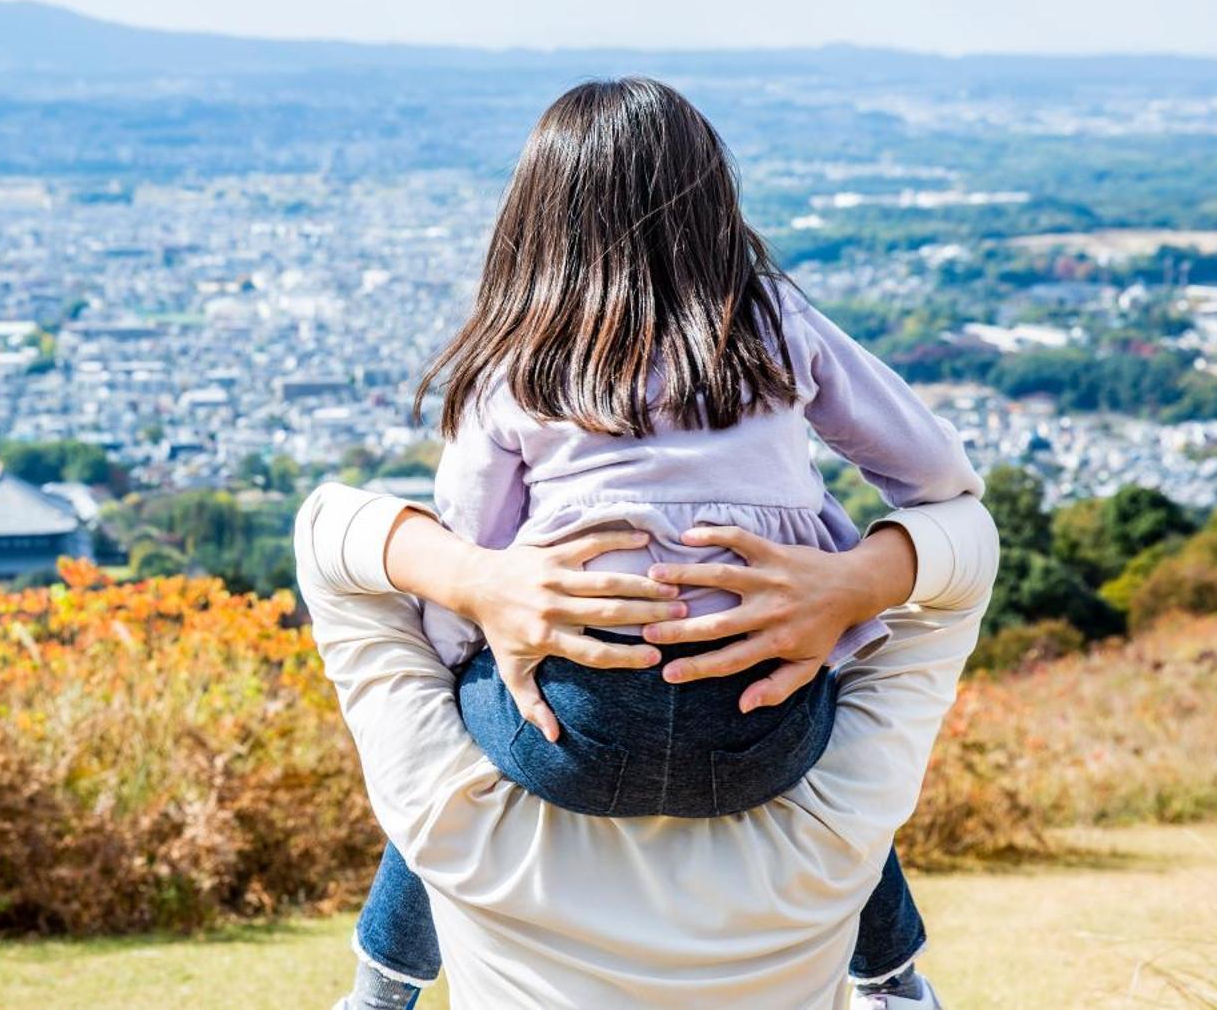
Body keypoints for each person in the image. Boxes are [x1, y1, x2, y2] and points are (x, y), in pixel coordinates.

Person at [329, 79, 988, 1008]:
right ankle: (893, 977)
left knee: (453, 744)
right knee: (839, 720)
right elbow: (934, 467)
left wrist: (471, 654)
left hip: (571, 727)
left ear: (536, 216)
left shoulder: (519, 353)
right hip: (765, 728)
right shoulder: (769, 321)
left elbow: (471, 555)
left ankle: (382, 983)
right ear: (713, 197)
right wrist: (843, 577)